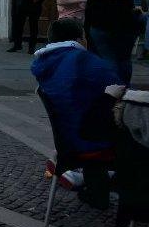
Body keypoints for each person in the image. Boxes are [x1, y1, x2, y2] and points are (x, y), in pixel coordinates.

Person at [32, 17, 122, 209]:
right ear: (80, 39)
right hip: (91, 141)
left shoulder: (47, 64)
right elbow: (120, 87)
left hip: (67, 141)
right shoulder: (84, 62)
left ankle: (95, 186)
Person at [85, 0, 138, 84]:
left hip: (100, 29)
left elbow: (89, 13)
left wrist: (87, 32)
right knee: (124, 59)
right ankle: (124, 86)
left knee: (108, 58)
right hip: (124, 30)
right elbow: (129, 10)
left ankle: (113, 87)